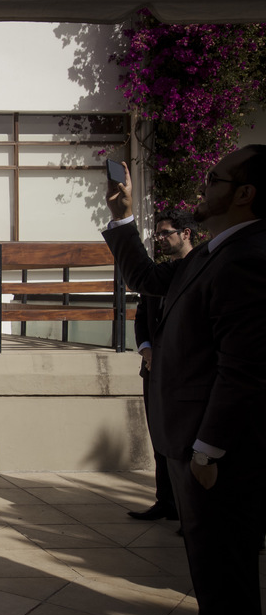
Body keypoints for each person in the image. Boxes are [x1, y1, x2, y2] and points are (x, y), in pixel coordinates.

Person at [104, 148, 266, 615]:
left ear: (243, 193)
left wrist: (208, 448)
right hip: (191, 442)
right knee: (213, 580)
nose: (205, 185)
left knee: (229, 584)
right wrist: (123, 216)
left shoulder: (249, 256)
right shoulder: (213, 253)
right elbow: (148, 278)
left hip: (215, 454)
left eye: (216, 178)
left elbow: (244, 366)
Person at [127, 210, 195, 523]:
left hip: (187, 372)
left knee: (187, 443)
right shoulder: (161, 273)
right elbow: (142, 317)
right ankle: (165, 502)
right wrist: (146, 350)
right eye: (157, 234)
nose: (160, 239)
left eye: (166, 232)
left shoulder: (201, 270)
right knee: (159, 438)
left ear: (186, 233)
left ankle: (190, 511)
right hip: (154, 369)